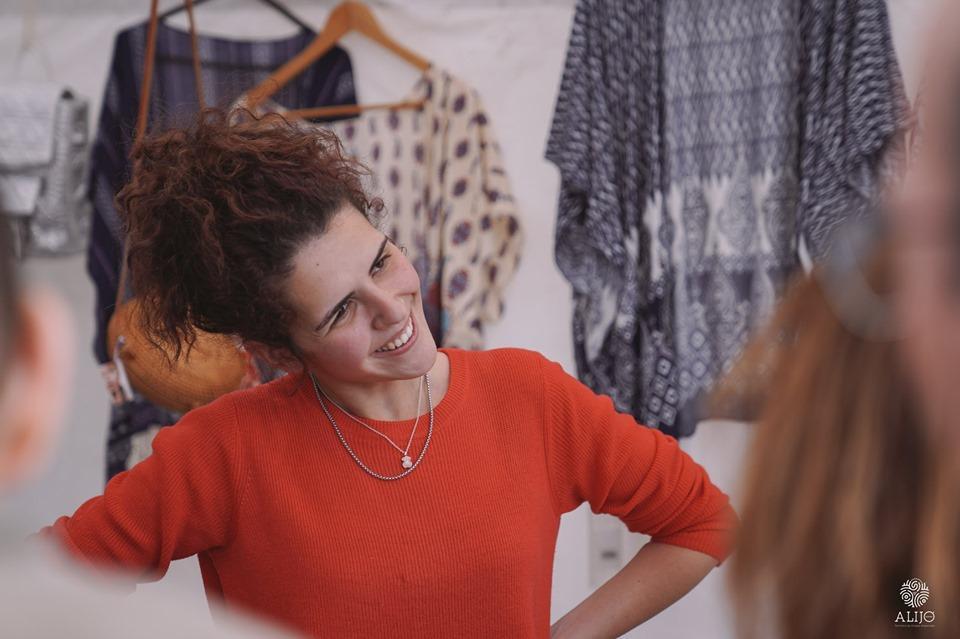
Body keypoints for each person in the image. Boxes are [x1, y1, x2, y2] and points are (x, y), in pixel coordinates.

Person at [39, 109, 738, 639]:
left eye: (380, 260)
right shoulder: (224, 452)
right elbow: (37, 585)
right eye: (342, 309)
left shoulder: (529, 397)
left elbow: (702, 522)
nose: (394, 306)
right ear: (280, 351)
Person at [0, 219, 297, 637]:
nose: (386, 312)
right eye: (340, 311)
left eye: (381, 262)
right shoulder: (226, 441)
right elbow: (86, 546)